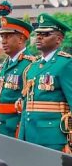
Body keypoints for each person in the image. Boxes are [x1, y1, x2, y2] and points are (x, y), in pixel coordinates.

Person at [18, 13, 72, 151]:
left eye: (46, 34)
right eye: (38, 33)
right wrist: (22, 136)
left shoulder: (65, 64)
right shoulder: (32, 67)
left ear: (59, 39)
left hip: (54, 137)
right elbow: (26, 106)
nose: (39, 37)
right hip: (31, 135)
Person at [0, 1, 36, 137]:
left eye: (8, 36)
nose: (3, 41)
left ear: (21, 39)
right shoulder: (3, 66)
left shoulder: (30, 65)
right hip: (1, 127)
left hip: (17, 129)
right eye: (2, 37)